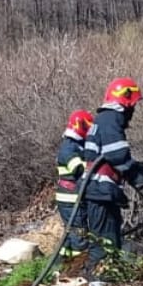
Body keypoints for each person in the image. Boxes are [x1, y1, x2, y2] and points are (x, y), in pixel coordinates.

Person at [82, 77, 143, 286]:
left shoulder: (104, 119)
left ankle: (110, 283)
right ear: (125, 101)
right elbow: (116, 154)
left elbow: (114, 155)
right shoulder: (111, 119)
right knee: (105, 240)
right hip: (101, 191)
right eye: (134, 104)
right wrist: (137, 178)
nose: (134, 110)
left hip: (102, 191)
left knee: (110, 237)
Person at [54, 109, 94, 265]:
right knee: (79, 233)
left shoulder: (76, 146)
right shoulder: (69, 148)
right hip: (70, 198)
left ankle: (61, 265)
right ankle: (79, 265)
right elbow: (78, 168)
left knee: (71, 232)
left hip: (73, 197)